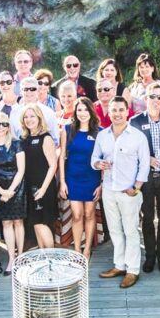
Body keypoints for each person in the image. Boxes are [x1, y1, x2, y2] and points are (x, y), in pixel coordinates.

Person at [94, 97, 151, 288]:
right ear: (109, 112)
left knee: (131, 231)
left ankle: (133, 270)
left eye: (120, 110)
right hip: (109, 190)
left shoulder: (137, 136)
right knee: (115, 231)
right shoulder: (102, 136)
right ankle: (119, 265)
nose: (117, 113)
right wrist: (98, 164)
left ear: (127, 112)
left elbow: (144, 165)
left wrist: (136, 188)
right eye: (113, 110)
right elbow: (94, 158)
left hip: (129, 192)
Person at [130, 84, 160, 272]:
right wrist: (146, 158)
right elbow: (130, 150)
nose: (156, 100)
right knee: (147, 218)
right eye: (152, 96)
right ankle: (150, 256)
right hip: (145, 177)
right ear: (146, 98)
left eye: (159, 97)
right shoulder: (136, 121)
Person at [60, 98, 101, 260]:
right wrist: (62, 181)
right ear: (75, 113)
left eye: (85, 110)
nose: (82, 113)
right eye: (79, 110)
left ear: (91, 111)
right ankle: (77, 249)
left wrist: (102, 184)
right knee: (77, 215)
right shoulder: (68, 130)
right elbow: (62, 156)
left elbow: (104, 159)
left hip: (92, 178)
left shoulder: (100, 131)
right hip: (72, 178)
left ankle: (87, 249)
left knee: (90, 214)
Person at [0, 114, 26, 272]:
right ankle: (11, 258)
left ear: (9, 126)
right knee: (6, 223)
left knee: (18, 222)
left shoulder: (16, 144)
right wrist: (1, 191)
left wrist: (11, 190)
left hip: (17, 186)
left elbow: (21, 169)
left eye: (4, 124)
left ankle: (21, 256)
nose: (1, 127)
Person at [21, 104, 59, 248]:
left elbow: (53, 165)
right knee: (35, 223)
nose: (29, 119)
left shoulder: (46, 138)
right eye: (26, 117)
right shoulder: (24, 139)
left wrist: (43, 189)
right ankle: (44, 257)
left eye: (32, 116)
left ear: (39, 118)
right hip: (30, 187)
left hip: (43, 186)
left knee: (42, 222)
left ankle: (51, 256)